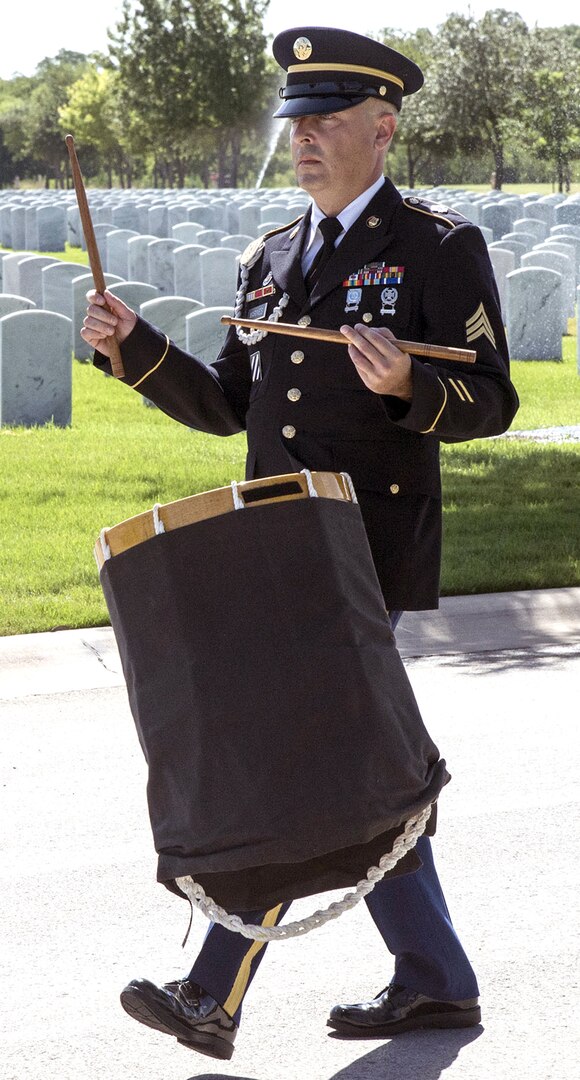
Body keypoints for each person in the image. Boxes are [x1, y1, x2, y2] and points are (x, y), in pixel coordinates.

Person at [83, 25, 519, 1064]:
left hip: (361, 549)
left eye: (327, 123)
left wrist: (406, 386)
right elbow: (230, 406)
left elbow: (492, 400)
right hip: (275, 551)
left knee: (300, 759)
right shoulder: (270, 257)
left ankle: (213, 992)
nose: (306, 141)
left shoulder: (436, 247)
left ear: (384, 127)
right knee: (349, 765)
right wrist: (134, 348)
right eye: (297, 124)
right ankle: (434, 980)